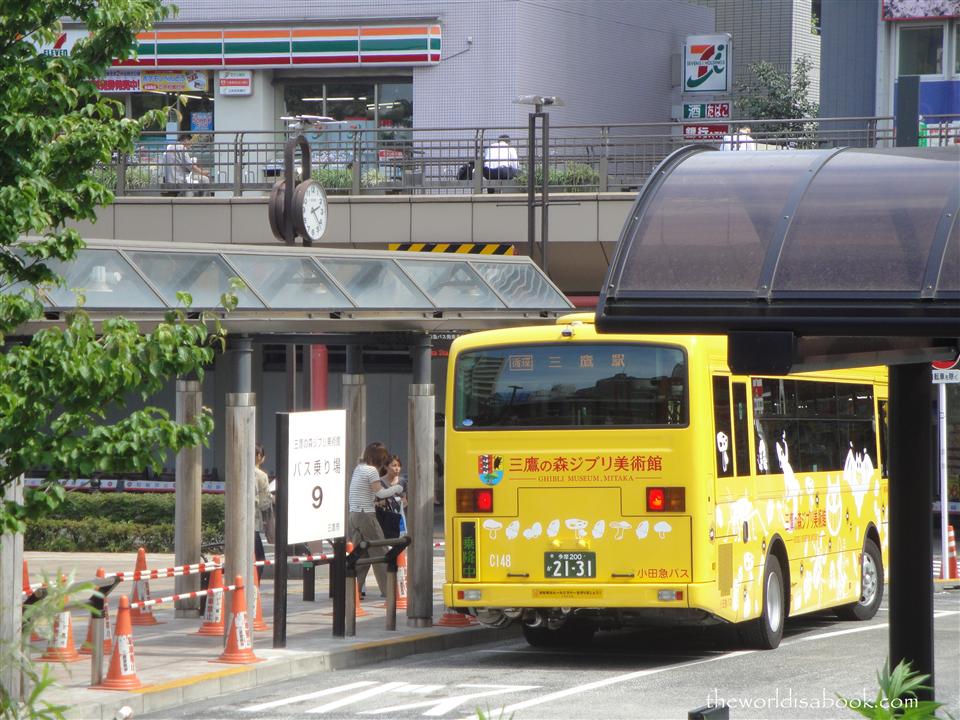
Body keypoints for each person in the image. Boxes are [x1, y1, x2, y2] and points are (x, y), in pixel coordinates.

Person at [348, 442, 404, 597]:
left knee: (362, 554)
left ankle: (353, 590)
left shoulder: (358, 469)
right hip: (366, 515)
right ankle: (390, 591)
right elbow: (380, 493)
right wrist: (396, 489)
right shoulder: (372, 470)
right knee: (382, 552)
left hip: (353, 514)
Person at [375, 455, 407, 539]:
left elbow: (405, 498)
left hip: (399, 515)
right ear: (386, 467)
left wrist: (403, 501)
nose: (397, 468)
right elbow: (375, 500)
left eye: (399, 466)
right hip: (384, 517)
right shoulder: (379, 482)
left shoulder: (402, 481)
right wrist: (381, 503)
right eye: (394, 465)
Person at [254, 444, 274, 544]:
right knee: (259, 556)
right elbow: (264, 503)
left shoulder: (239, 471)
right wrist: (272, 498)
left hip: (235, 520)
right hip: (253, 519)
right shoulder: (261, 475)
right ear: (259, 456)